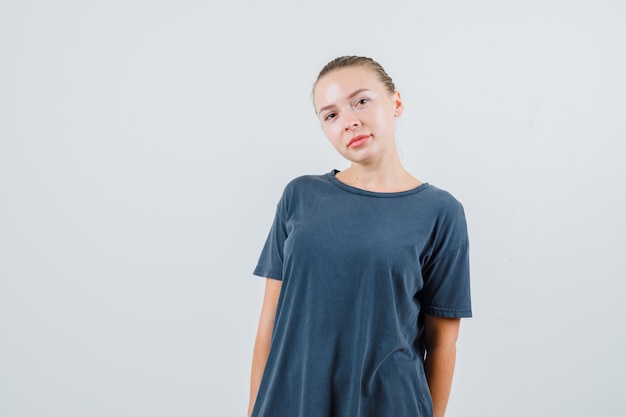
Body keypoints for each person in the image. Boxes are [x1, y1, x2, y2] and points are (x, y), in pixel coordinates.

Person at [247, 56, 472, 417]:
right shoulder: (300, 195)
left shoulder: (440, 211)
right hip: (292, 402)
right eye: (330, 115)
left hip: (389, 404)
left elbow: (443, 341)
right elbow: (269, 320)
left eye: (361, 101)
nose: (349, 121)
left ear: (395, 103)